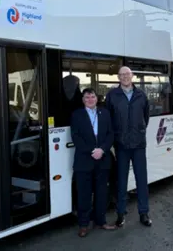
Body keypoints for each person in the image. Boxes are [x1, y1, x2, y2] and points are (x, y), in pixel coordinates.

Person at [105, 66, 152, 227]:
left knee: (141, 179)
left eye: (127, 74)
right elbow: (108, 119)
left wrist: (139, 131)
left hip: (139, 144)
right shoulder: (112, 95)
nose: (124, 77)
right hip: (121, 145)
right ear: (118, 77)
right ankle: (120, 214)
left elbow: (146, 117)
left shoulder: (141, 95)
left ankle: (144, 213)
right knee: (121, 181)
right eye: (121, 75)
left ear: (132, 76)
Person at [70, 88, 117, 237]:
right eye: (87, 97)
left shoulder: (105, 113)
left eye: (92, 96)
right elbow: (76, 137)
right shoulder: (76, 115)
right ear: (83, 100)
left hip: (102, 160)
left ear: (97, 99)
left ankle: (101, 221)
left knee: (102, 193)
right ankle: (84, 225)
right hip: (84, 161)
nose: (90, 99)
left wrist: (102, 150)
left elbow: (111, 134)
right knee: (84, 194)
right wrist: (92, 151)